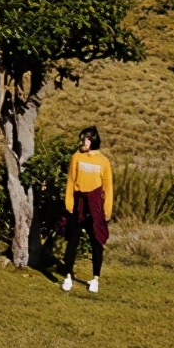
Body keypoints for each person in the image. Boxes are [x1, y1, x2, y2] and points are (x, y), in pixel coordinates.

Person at [60, 125, 113, 294]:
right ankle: (68, 276)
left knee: (97, 243)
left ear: (92, 141)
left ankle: (95, 278)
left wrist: (107, 212)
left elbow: (108, 189)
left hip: (95, 207)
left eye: (85, 139)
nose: (82, 142)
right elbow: (70, 181)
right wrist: (69, 204)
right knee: (72, 242)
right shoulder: (76, 157)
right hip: (78, 205)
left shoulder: (104, 162)